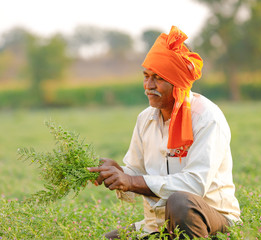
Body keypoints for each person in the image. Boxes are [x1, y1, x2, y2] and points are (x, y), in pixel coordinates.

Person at [88, 26, 240, 239]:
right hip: (157, 225)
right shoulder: (145, 119)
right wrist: (118, 172)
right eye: (146, 76)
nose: (148, 86)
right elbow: (136, 172)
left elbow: (194, 186)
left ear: (177, 83)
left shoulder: (207, 118)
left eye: (158, 78)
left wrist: (131, 181)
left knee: (180, 202)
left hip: (212, 221)